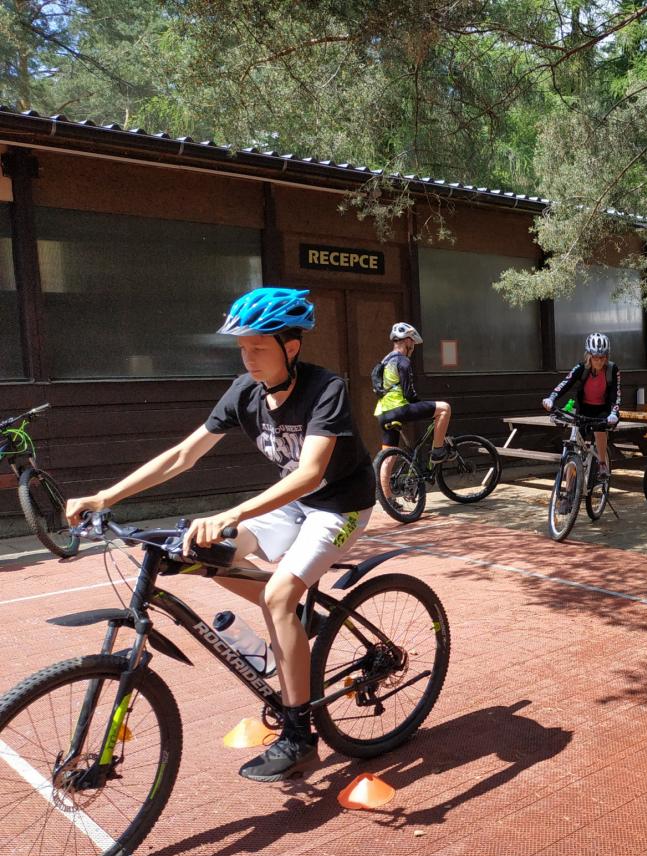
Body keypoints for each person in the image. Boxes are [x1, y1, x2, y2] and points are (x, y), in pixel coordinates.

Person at [65, 287, 376, 782]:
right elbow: (183, 455)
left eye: (259, 347)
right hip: (293, 503)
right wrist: (106, 496)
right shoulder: (244, 392)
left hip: (341, 506)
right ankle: (299, 620)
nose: (248, 357)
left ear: (291, 348)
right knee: (207, 551)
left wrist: (231, 513)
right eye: (242, 347)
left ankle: (299, 735)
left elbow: (310, 473)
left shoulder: (325, 388)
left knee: (277, 596)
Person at [374, 321, 451, 494]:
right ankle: (438, 451)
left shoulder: (385, 360)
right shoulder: (403, 361)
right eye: (413, 343)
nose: (413, 347)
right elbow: (409, 393)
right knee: (444, 408)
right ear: (408, 341)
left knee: (388, 457)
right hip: (399, 409)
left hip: (383, 413)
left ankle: (387, 499)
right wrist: (421, 404)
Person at [542, 333, 621, 477]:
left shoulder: (612, 369)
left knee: (599, 429)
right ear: (589, 355)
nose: (599, 361)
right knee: (574, 446)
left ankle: (602, 463)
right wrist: (552, 398)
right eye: (595, 357)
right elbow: (565, 383)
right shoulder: (581, 368)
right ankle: (569, 488)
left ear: (607, 356)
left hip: (603, 409)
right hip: (584, 408)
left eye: (602, 357)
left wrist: (614, 412)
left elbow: (616, 393)